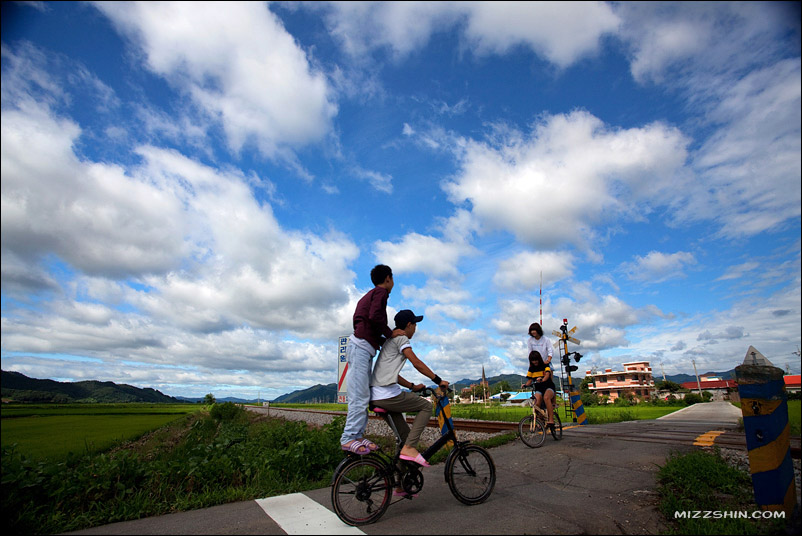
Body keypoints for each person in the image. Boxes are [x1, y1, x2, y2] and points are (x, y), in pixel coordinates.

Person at [370, 309, 449, 476]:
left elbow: (393, 375)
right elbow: (416, 363)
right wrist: (438, 381)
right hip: (387, 395)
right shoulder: (401, 338)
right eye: (415, 324)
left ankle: (400, 483)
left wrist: (412, 386)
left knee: (405, 436)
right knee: (425, 407)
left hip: (377, 396)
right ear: (409, 325)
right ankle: (410, 448)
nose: (416, 328)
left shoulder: (390, 341)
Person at [341, 264, 405, 455]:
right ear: (388, 278)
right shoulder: (381, 292)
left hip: (362, 348)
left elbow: (363, 319)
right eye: (392, 279)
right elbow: (375, 316)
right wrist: (390, 333)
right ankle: (348, 437)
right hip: (360, 348)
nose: (392, 283)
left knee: (362, 395)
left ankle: (358, 435)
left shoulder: (369, 295)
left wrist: (381, 338)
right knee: (359, 396)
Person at [523, 350, 556, 428]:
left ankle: (551, 420)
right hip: (539, 389)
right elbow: (530, 380)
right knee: (536, 403)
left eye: (536, 360)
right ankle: (540, 420)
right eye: (533, 360)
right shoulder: (531, 369)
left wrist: (542, 379)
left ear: (539, 359)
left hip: (548, 387)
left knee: (546, 397)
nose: (535, 362)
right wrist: (525, 385)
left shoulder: (545, 365)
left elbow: (547, 375)